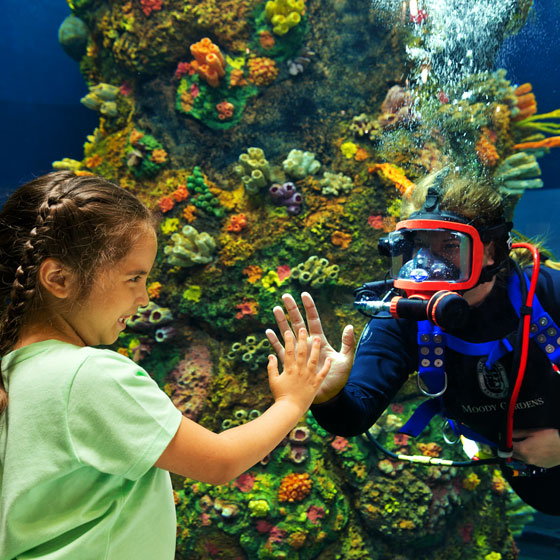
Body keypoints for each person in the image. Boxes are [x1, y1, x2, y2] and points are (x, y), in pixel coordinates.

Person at [0, 170, 331, 559]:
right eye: (134, 278)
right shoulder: (89, 376)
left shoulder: (12, 374)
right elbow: (220, 461)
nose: (144, 297)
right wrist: (293, 400)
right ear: (59, 278)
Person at [266, 169, 560, 516]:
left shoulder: (548, 294)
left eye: (450, 246)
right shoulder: (407, 318)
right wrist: (329, 396)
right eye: (419, 246)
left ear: (491, 251)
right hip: (531, 479)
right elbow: (354, 417)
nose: (430, 267)